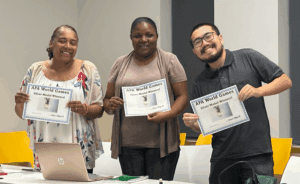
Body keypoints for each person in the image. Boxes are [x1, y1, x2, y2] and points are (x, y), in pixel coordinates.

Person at [183, 23, 292, 183]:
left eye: (208, 36)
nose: (205, 43)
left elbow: (285, 81)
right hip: (222, 158)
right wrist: (193, 125)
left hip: (257, 155)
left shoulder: (248, 57)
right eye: (198, 42)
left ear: (220, 38)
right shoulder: (199, 81)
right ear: (195, 51)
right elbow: (205, 126)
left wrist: (257, 91)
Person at [103, 17, 188, 180]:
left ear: (157, 36)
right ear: (131, 37)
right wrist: (110, 104)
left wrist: (167, 115)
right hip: (127, 146)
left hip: (162, 146)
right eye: (137, 35)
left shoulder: (170, 60)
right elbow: (106, 101)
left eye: (149, 35)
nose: (143, 40)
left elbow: (183, 97)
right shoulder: (120, 63)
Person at [14, 25, 104, 174]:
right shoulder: (35, 70)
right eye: (62, 41)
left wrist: (85, 109)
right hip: (45, 150)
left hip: (79, 150)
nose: (68, 46)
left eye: (73, 42)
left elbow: (100, 109)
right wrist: (19, 103)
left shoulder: (88, 69)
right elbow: (22, 113)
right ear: (51, 43)